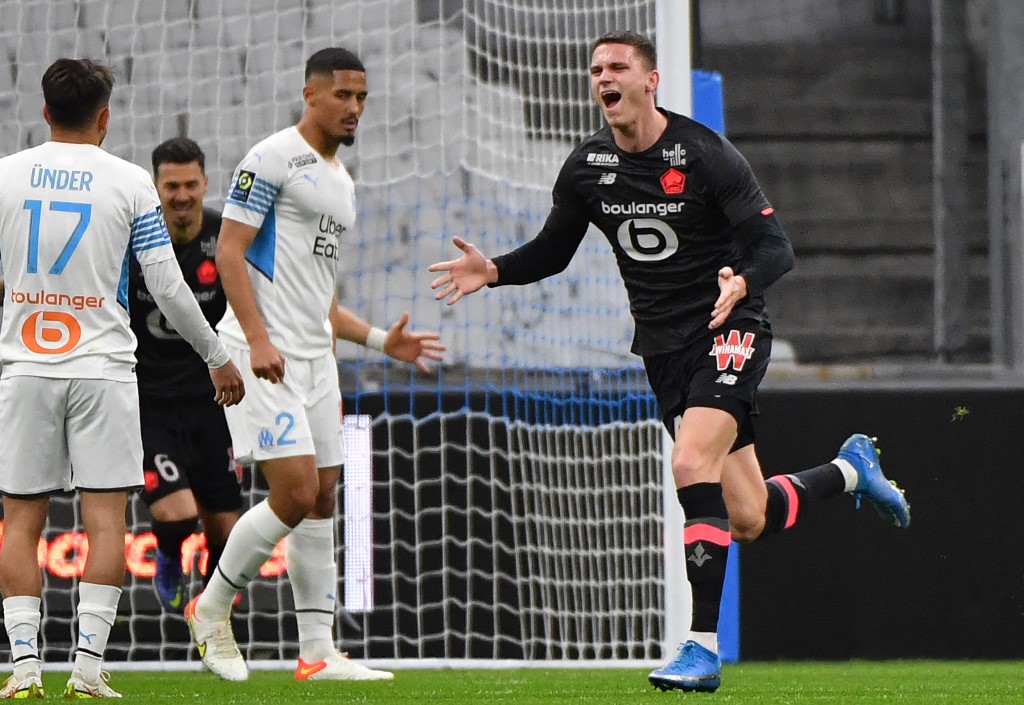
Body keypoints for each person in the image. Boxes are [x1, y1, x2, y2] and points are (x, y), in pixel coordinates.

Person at [429, 31, 911, 694]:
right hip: (665, 351)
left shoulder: (705, 154)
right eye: (596, 68)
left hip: (731, 327)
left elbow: (777, 248)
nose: (605, 77)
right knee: (748, 516)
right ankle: (851, 472)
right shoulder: (586, 167)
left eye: (618, 66)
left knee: (689, 463)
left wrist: (742, 281)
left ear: (651, 81)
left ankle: (701, 646)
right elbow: (553, 251)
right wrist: (495, 270)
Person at [184, 47, 446, 683]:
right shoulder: (272, 158)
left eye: (362, 98)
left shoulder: (342, 183)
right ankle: (211, 607)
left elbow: (318, 295)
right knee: (295, 491)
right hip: (261, 354)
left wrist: (384, 341)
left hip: (313, 358)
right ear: (311, 93)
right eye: (343, 96)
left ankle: (317, 653)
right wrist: (258, 338)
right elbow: (232, 250)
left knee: (323, 497)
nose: (354, 108)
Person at [0, 59, 244, 699]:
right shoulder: (132, 184)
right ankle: (85, 671)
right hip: (104, 372)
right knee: (105, 520)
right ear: (105, 118)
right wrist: (216, 353)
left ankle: (24, 670)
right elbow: (167, 286)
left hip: (25, 366)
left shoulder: (6, 176)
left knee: (21, 521)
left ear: (45, 111)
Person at [129, 137, 244, 613]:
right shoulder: (130, 240)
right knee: (179, 516)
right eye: (170, 185)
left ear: (205, 184)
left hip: (214, 402)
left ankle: (211, 618)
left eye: (190, 184)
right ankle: (171, 553)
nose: (181, 195)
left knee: (228, 539)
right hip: (149, 402)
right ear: (155, 187)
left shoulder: (226, 239)